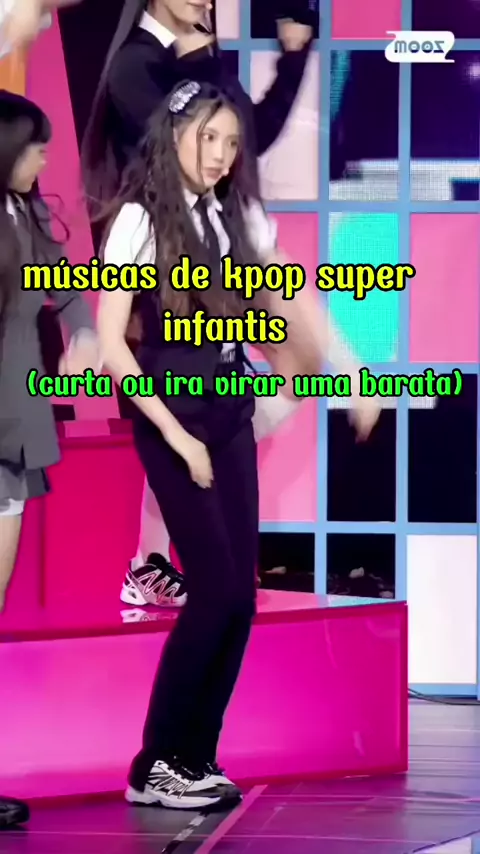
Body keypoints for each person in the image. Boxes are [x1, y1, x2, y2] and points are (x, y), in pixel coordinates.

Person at [98, 79, 379, 809]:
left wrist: (351, 372)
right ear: (174, 136)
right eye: (209, 138)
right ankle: (155, 764)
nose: (222, 154)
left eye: (231, 142)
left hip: (228, 412)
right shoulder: (139, 219)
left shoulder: (234, 215)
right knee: (214, 593)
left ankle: (195, 758)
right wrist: (173, 434)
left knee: (239, 601)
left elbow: (290, 293)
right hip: (173, 419)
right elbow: (113, 346)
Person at [81, 0, 315, 609]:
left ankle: (160, 562)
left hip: (206, 258)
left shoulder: (193, 59)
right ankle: (154, 563)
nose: (220, 152)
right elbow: (189, 147)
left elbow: (246, 134)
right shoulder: (135, 64)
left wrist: (291, 61)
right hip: (159, 275)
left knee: (253, 397)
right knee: (186, 422)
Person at [0, 90, 99, 828]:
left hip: (14, 430)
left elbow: (66, 286)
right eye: (36, 146)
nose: (44, 158)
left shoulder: (26, 211)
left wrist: (86, 334)